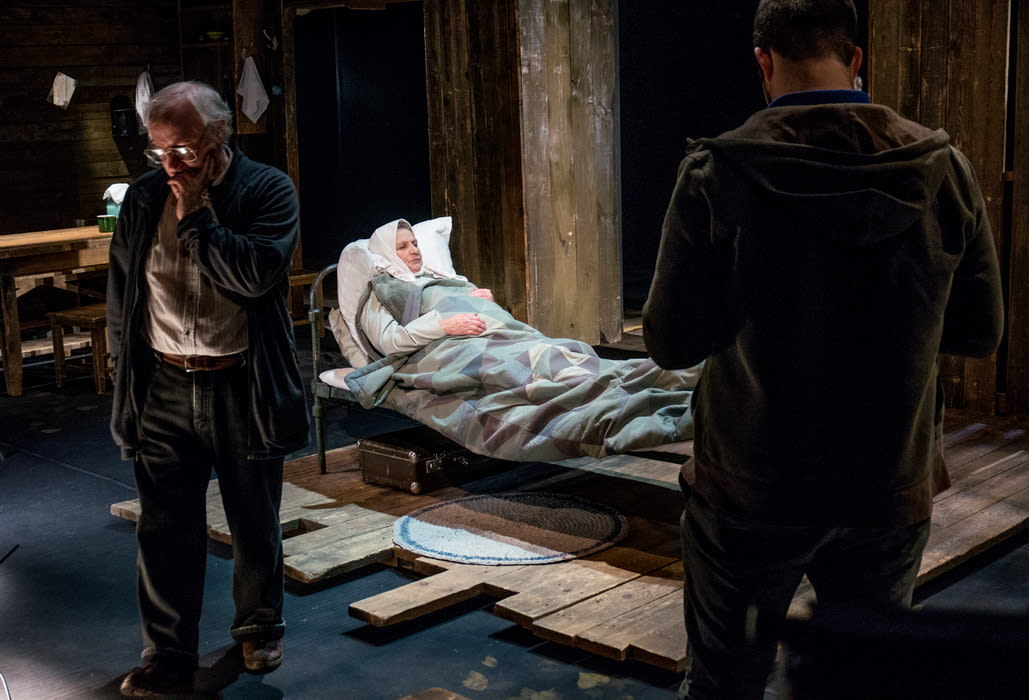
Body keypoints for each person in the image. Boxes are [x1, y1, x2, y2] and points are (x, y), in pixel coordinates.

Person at [642, 2, 1005, 698]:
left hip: (751, 486)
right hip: (887, 484)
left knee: (725, 686)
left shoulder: (717, 171)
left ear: (762, 61)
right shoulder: (942, 168)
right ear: (855, 57)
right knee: (862, 682)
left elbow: (670, 340)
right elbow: (977, 333)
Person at [106, 81, 308, 697]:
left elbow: (255, 276)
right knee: (165, 527)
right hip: (165, 382)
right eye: (159, 150)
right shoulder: (145, 198)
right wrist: (123, 372)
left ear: (220, 135)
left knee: (253, 518)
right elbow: (124, 292)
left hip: (241, 383)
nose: (170, 164)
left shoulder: (267, 189)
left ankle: (259, 627)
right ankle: (168, 654)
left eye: (184, 149)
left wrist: (196, 216)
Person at [358, 218, 493, 356]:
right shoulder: (382, 291)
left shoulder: (439, 277)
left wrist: (486, 303)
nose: (415, 250)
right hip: (449, 351)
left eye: (415, 244)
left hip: (490, 336)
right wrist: (442, 326)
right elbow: (389, 342)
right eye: (403, 247)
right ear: (386, 253)